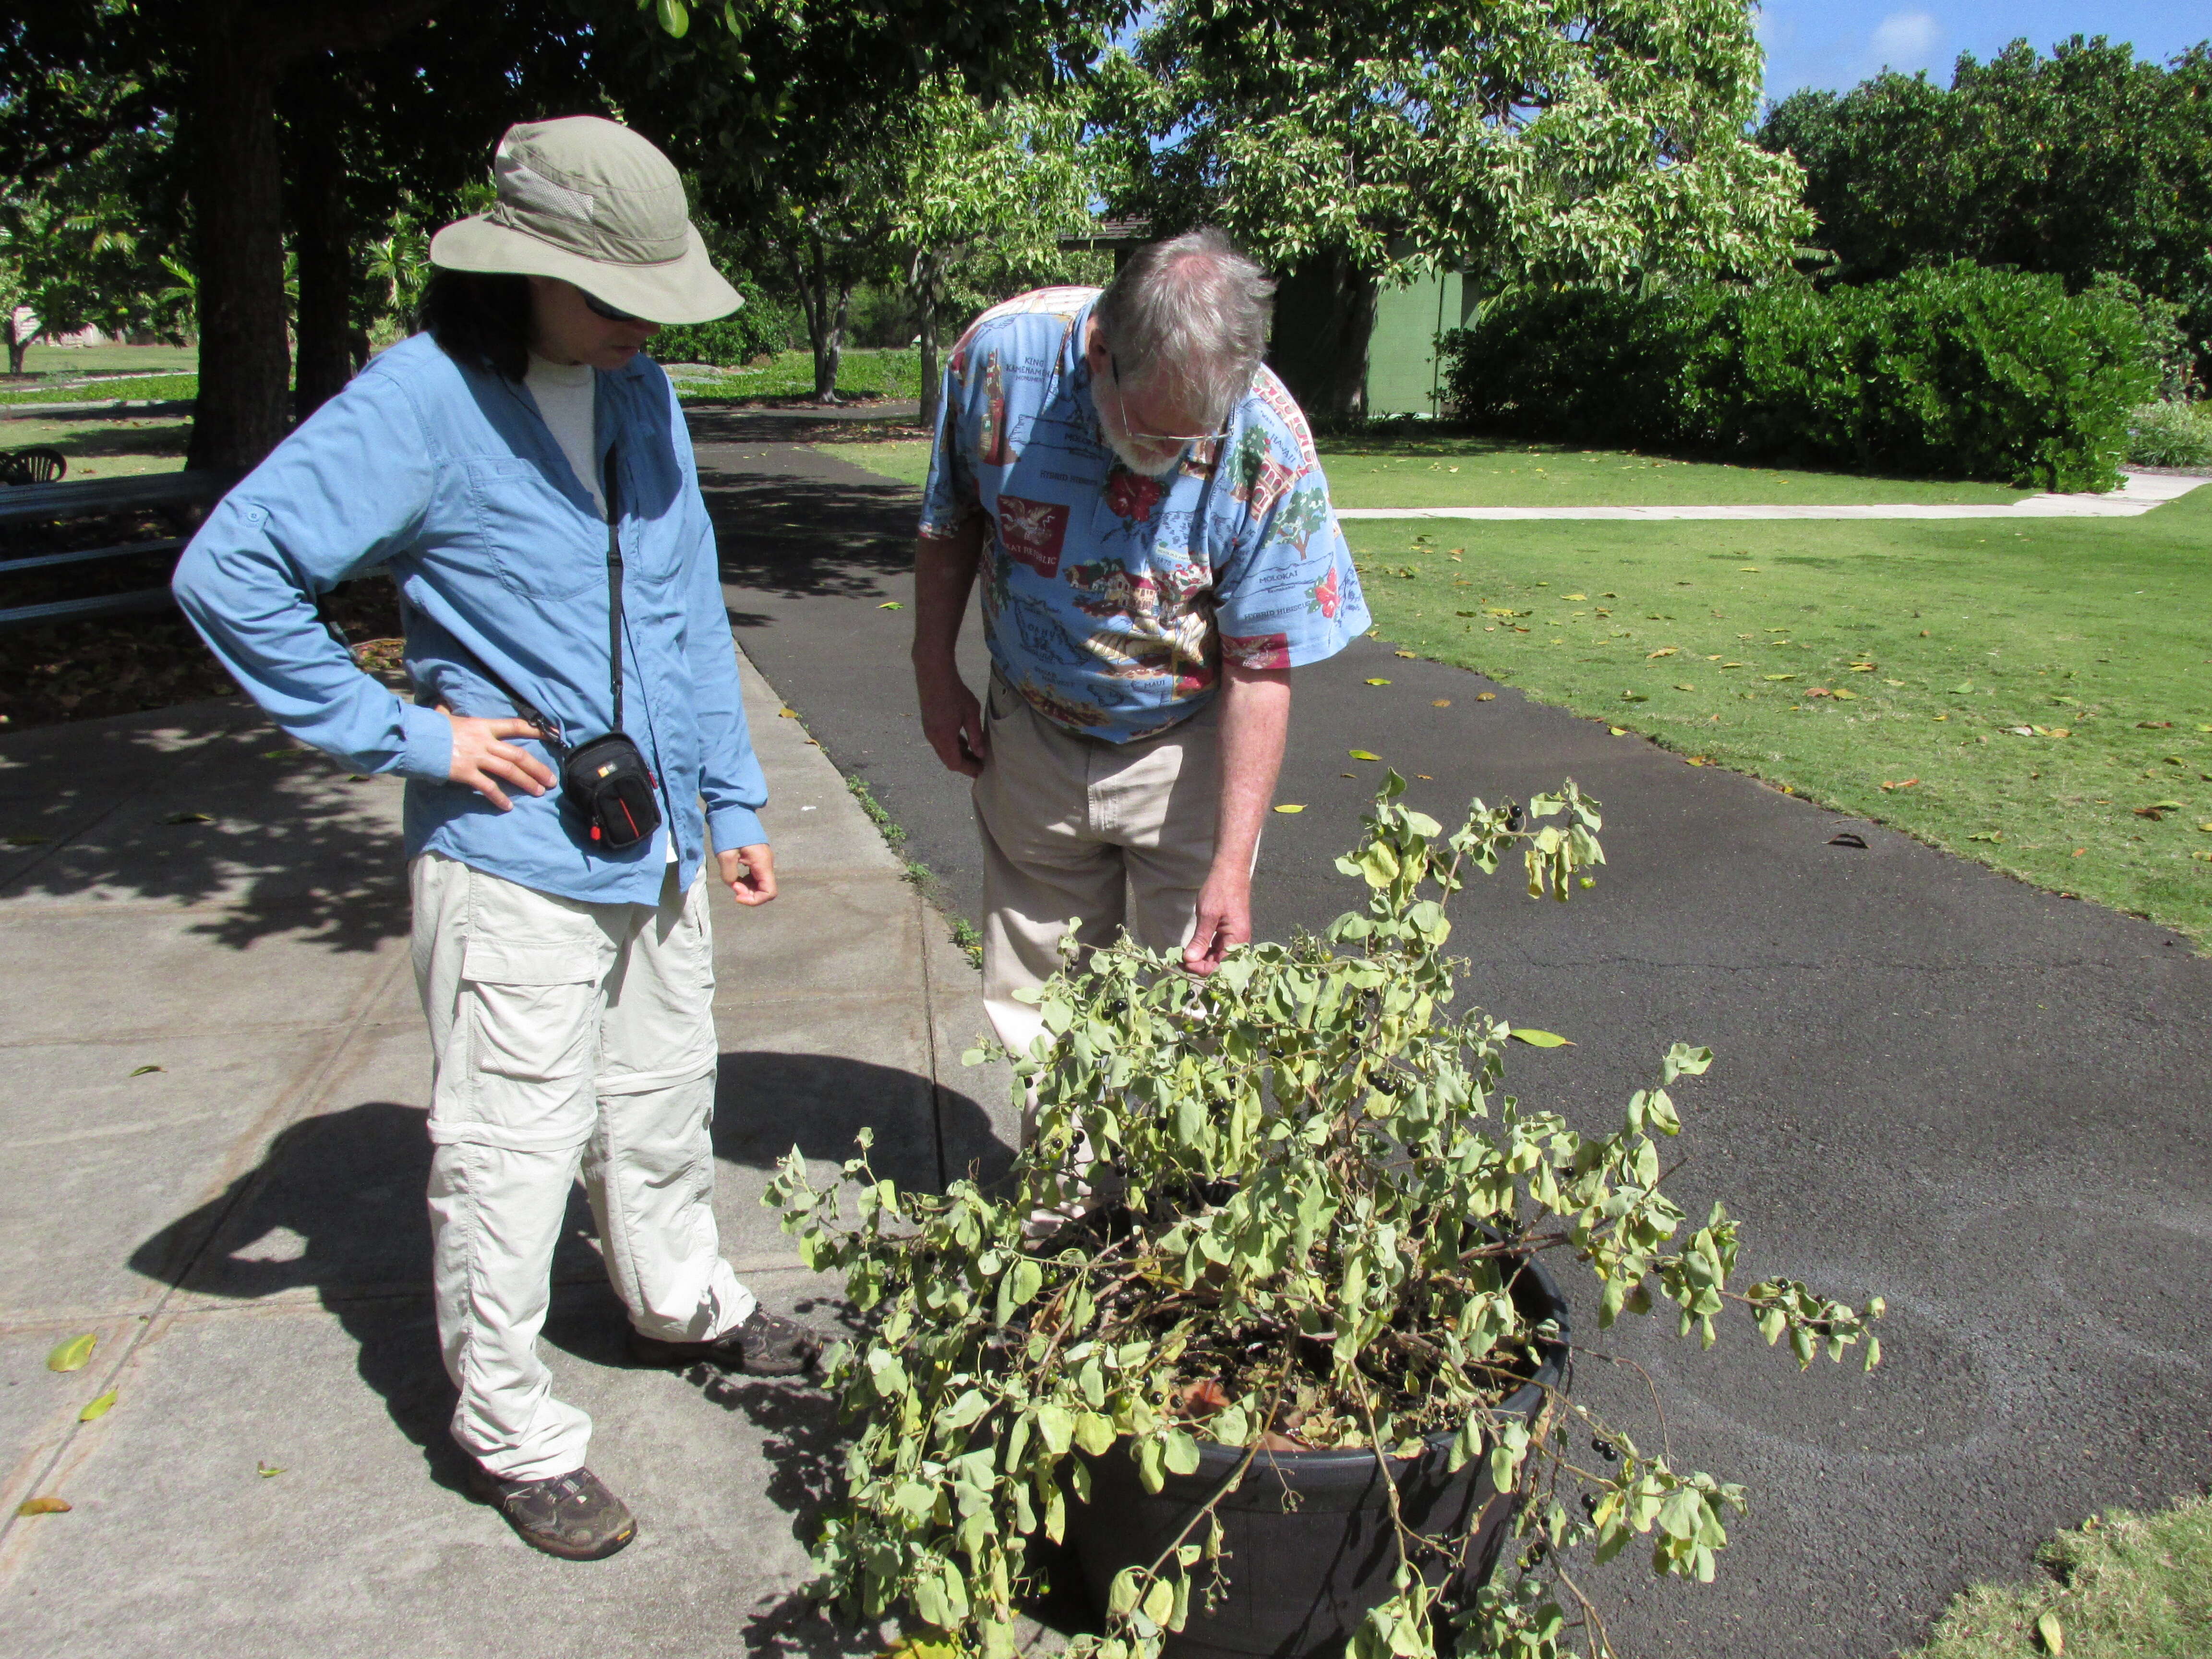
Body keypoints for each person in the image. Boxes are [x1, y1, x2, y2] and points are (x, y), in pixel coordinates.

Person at [172, 116, 819, 1563]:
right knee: (511, 1155)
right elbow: (232, 571)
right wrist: (414, 734)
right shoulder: (422, 401)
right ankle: (513, 1428)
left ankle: (680, 1304)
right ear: (520, 274)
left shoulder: (640, 389)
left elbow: (687, 603)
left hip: (651, 845)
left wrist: (733, 799)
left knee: (661, 1102)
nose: (643, 325)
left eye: (658, 298)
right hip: (514, 856)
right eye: (613, 297)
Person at [911, 229, 1370, 1059]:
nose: (1169, 460)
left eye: (1192, 439)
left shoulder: (1265, 435)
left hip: (1185, 754)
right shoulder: (997, 361)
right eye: (1153, 432)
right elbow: (949, 523)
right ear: (1099, 352)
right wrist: (932, 671)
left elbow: (1264, 667)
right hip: (1033, 732)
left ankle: (1165, 1194)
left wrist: (1233, 864)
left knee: (1190, 1020)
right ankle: (1062, 1189)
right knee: (1041, 1013)